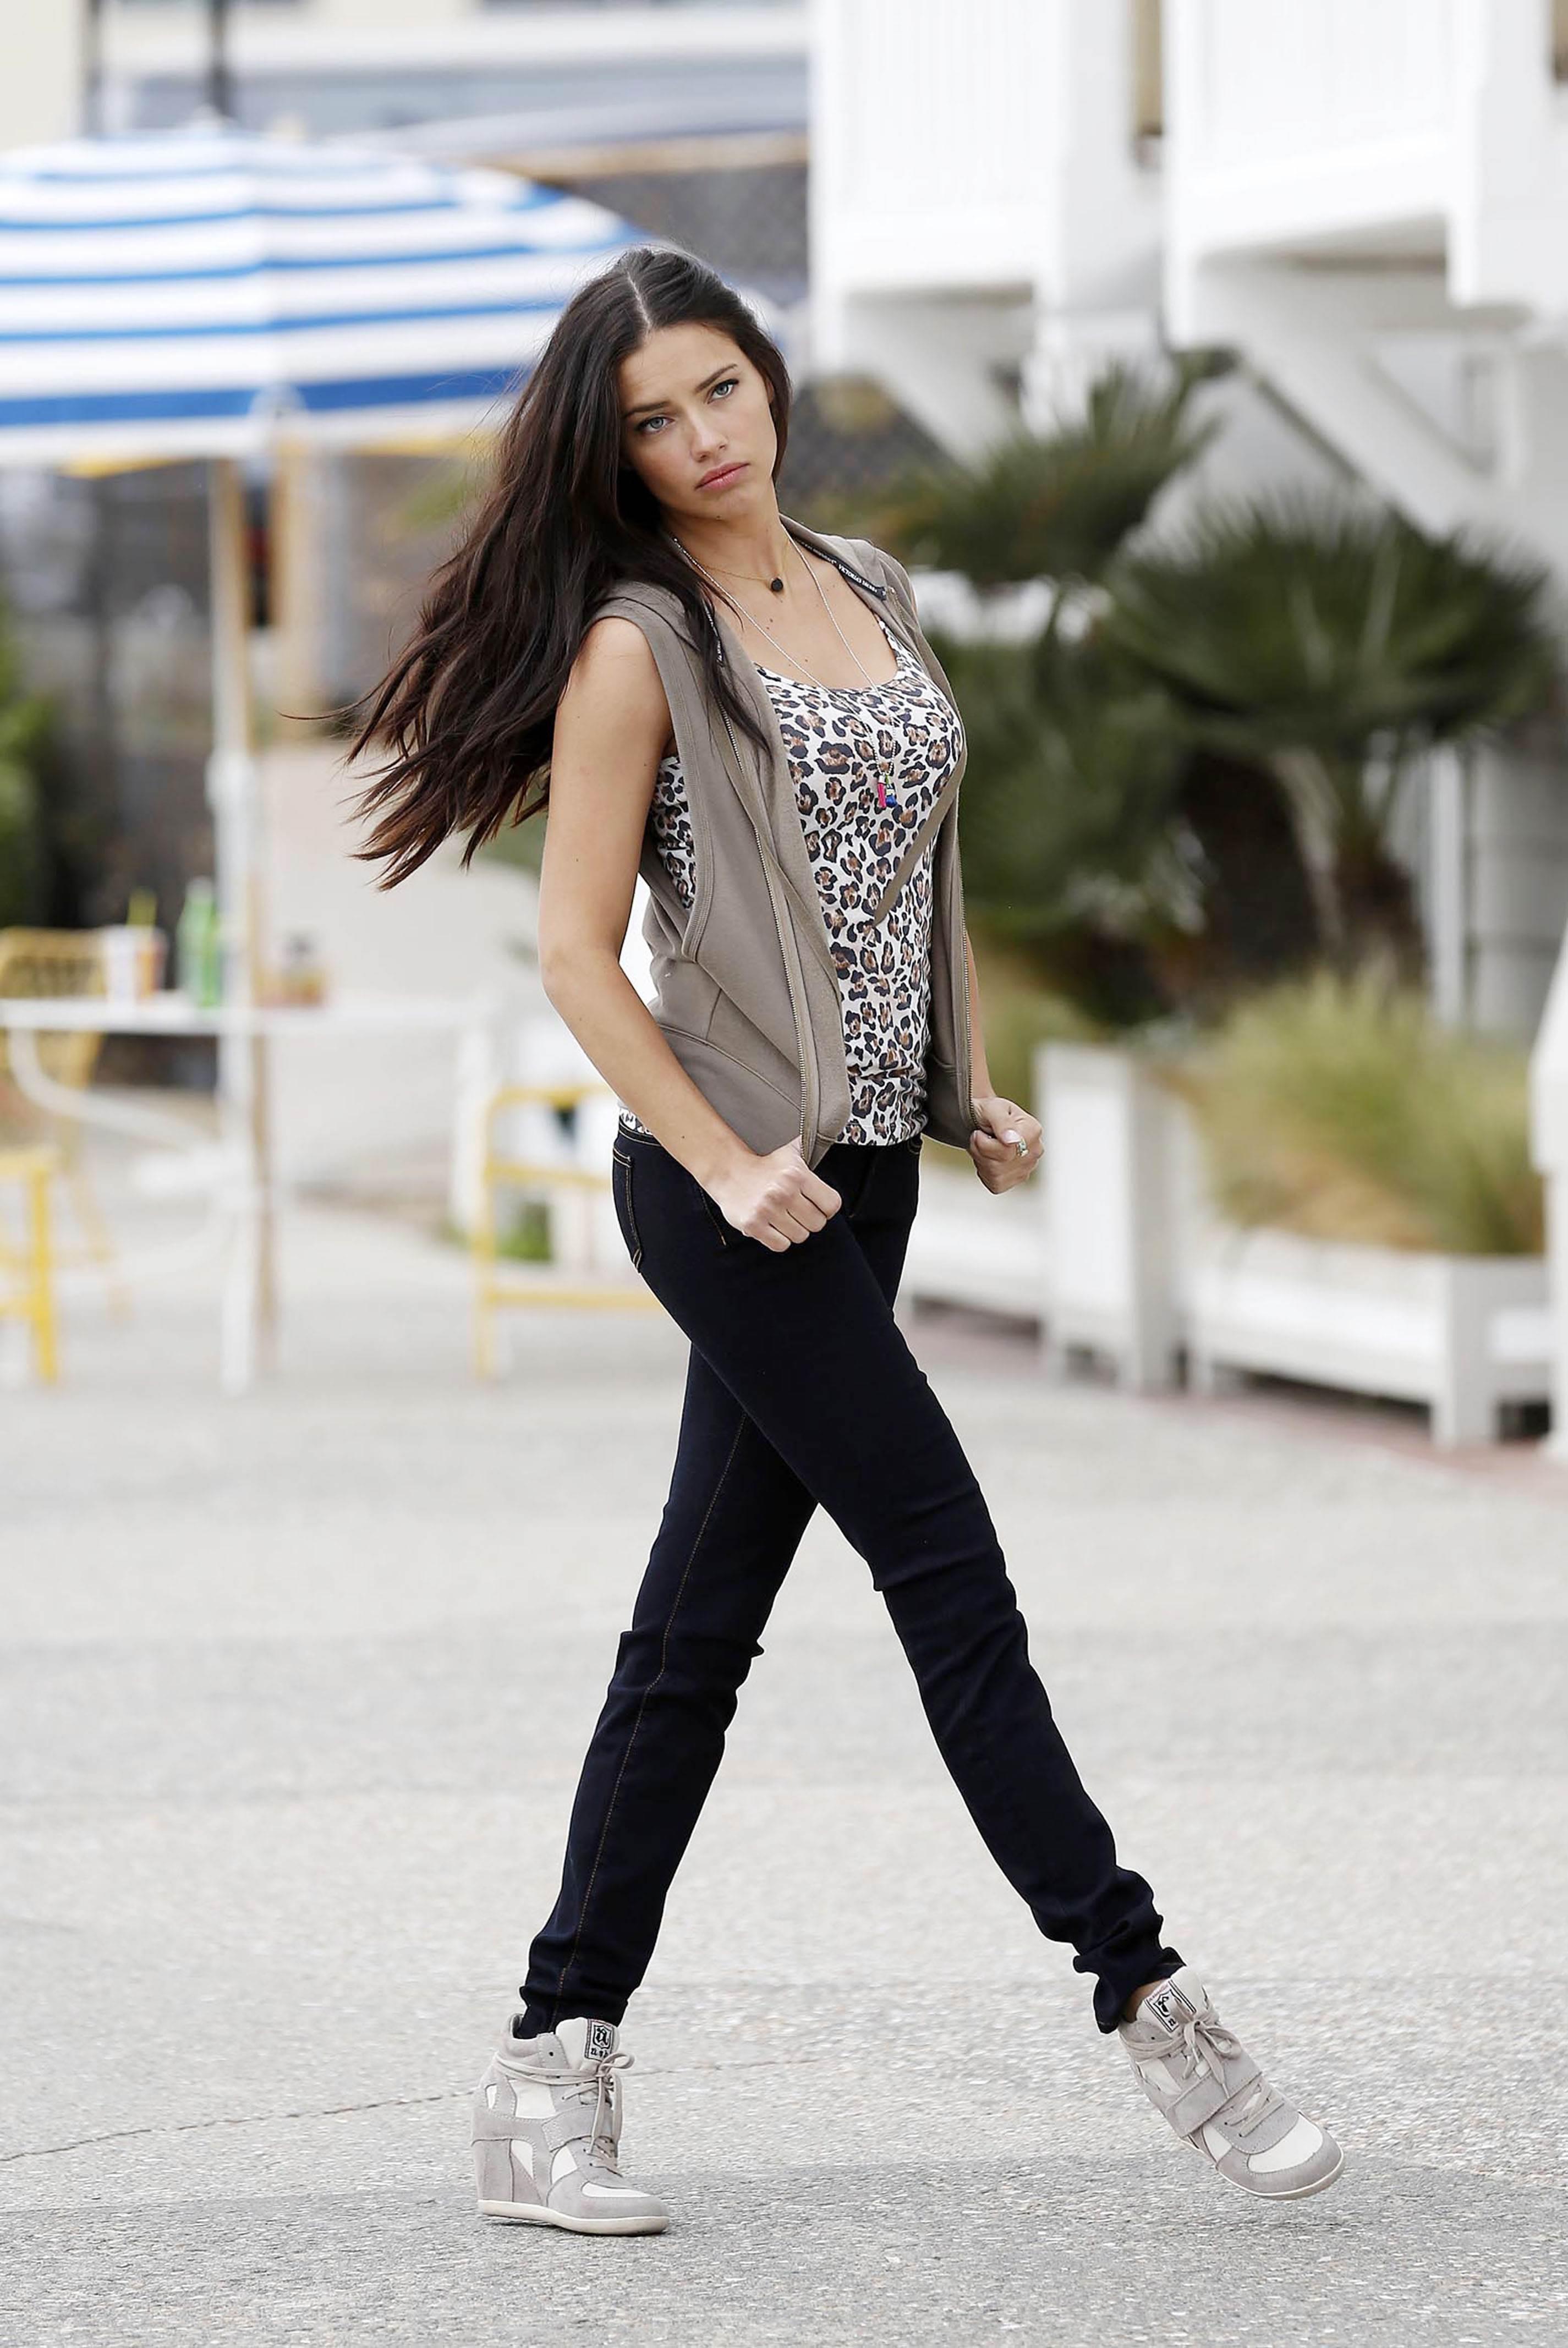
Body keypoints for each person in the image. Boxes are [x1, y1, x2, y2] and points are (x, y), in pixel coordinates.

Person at [347, 247, 1344, 2236]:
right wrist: (722, 1165)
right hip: (732, 1190)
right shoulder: (641, 640)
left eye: (719, 389)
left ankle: (548, 2065)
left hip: (860, 1173)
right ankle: (1146, 1991)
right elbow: (575, 954)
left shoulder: (870, 586)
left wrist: (957, 1079)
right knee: (947, 1570)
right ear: (609, 451)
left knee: (691, 1639)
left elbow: (912, 865)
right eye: (651, 418)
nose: (701, 438)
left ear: (769, 378)